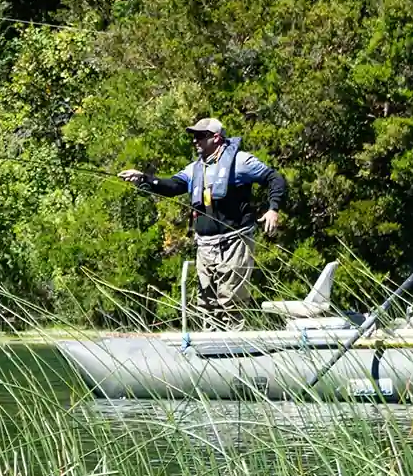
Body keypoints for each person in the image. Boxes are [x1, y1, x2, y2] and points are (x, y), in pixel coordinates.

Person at [118, 118, 287, 328]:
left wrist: (273, 209)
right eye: (193, 136)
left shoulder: (241, 162)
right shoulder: (195, 168)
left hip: (235, 242)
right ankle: (212, 347)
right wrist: (144, 178)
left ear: (216, 137)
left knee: (231, 299)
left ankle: (235, 347)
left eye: (200, 136)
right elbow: (172, 185)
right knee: (206, 302)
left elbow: (274, 178)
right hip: (205, 245)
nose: (195, 140)